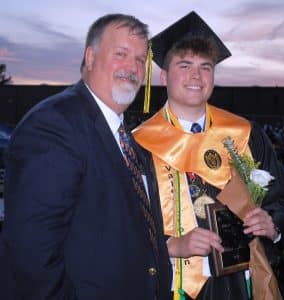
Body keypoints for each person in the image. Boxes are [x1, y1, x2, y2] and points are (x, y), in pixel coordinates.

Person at [1, 14, 172, 300]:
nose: (132, 67)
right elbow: (33, 256)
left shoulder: (125, 137)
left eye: (141, 60)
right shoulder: (55, 125)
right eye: (121, 54)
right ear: (90, 57)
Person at [134, 11, 284, 300]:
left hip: (243, 282)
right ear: (164, 75)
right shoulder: (140, 144)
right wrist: (170, 245)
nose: (196, 76)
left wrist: (272, 225)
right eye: (184, 65)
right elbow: (120, 225)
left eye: (205, 66)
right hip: (175, 284)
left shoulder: (244, 133)